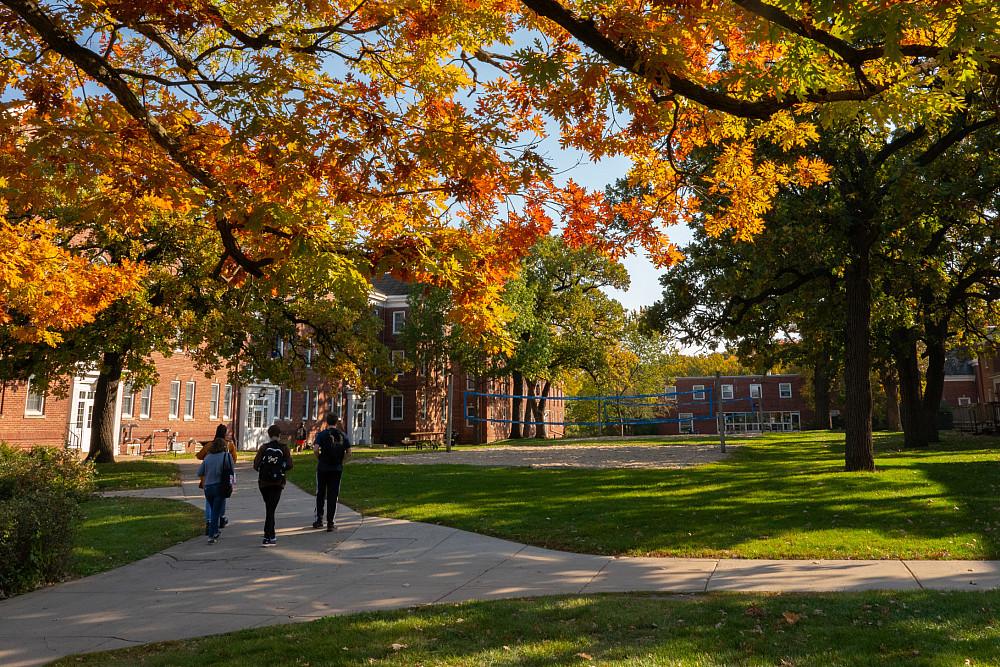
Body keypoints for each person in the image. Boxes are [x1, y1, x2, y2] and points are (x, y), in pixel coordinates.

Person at [253, 424, 293, 547]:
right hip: (277, 483)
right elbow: (290, 465)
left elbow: (256, 465)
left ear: (269, 435)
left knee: (269, 508)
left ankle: (270, 535)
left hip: (264, 483)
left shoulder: (263, 448)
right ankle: (268, 536)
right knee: (271, 509)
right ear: (279, 435)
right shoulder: (284, 448)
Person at [197, 424, 239, 535]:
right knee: (221, 499)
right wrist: (232, 483)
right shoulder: (229, 445)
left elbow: (199, 456)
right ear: (225, 433)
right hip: (222, 480)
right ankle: (221, 519)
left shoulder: (209, 446)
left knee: (209, 502)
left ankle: (209, 522)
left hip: (208, 480)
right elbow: (233, 461)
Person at [312, 413, 351, 531]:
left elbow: (315, 449)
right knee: (333, 495)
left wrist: (319, 457)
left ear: (326, 422)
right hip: (336, 469)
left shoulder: (322, 434)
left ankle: (319, 519)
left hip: (323, 467)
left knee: (320, 493)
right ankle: (330, 523)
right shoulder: (343, 435)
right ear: (337, 422)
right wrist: (342, 462)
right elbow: (349, 452)